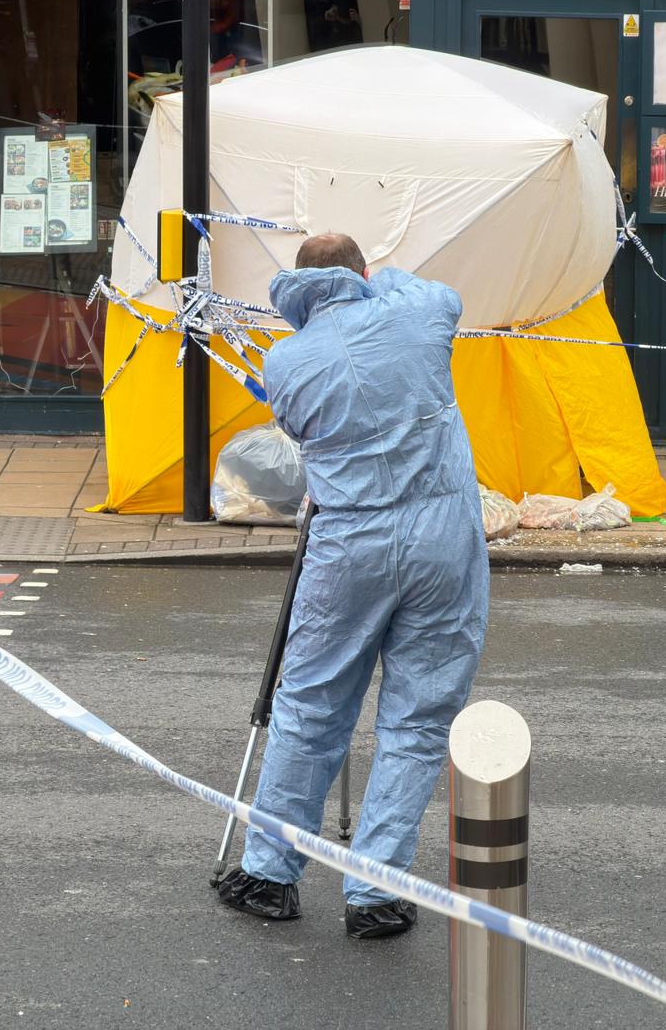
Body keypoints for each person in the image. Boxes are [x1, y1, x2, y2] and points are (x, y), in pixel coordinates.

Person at [216, 232, 489, 940]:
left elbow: (300, 435)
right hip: (442, 538)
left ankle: (271, 873)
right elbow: (441, 295)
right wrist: (375, 280)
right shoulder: (417, 312)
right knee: (418, 718)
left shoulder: (285, 360)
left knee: (311, 705)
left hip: (349, 545)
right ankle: (377, 891)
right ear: (362, 274)